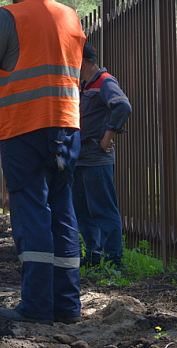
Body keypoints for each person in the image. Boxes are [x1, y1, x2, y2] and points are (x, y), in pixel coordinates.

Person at [0, 0, 86, 326]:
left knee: (32, 213)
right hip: (66, 127)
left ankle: (36, 306)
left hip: (24, 127)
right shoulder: (70, 17)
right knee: (62, 210)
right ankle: (67, 306)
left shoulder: (13, 14)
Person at [73, 41, 131, 270]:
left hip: (96, 159)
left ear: (81, 60)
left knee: (103, 210)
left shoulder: (105, 81)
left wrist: (107, 137)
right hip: (80, 158)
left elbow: (122, 106)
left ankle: (113, 260)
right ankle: (94, 254)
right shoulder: (85, 85)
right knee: (83, 211)